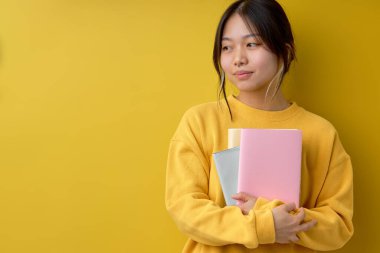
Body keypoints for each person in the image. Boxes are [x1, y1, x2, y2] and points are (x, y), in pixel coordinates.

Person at [165, 0, 354, 252]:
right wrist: (264, 225)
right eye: (227, 47)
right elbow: (185, 209)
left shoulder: (321, 133)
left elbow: (339, 226)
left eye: (252, 44)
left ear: (285, 52)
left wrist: (274, 216)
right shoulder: (200, 121)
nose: (238, 58)